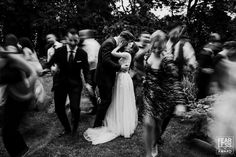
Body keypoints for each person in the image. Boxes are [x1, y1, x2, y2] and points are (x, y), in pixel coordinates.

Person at [83, 40, 138, 145]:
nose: (127, 46)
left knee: (120, 99)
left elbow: (113, 53)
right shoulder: (125, 54)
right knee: (117, 99)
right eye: (127, 44)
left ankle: (119, 123)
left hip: (122, 79)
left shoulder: (126, 54)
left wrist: (120, 45)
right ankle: (119, 120)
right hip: (120, 78)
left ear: (131, 49)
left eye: (130, 46)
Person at [142, 30, 185, 157]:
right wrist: (145, 77)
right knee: (148, 123)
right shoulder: (147, 55)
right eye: (154, 47)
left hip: (162, 98)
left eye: (159, 47)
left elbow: (174, 82)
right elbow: (145, 70)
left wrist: (180, 103)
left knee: (157, 127)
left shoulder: (167, 60)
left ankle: (155, 143)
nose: (156, 50)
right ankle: (148, 154)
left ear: (164, 45)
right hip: (149, 95)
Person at [46, 28, 90, 136]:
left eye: (76, 41)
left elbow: (86, 70)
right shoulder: (59, 51)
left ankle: (74, 127)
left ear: (78, 40)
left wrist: (88, 83)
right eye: (71, 40)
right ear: (66, 39)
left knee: (75, 108)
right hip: (60, 83)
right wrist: (51, 68)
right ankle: (67, 128)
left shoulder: (82, 53)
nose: (73, 43)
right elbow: (50, 63)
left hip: (75, 84)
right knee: (59, 109)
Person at [1, 34, 37, 157]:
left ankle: (20, 151)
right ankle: (22, 150)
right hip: (15, 97)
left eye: (12, 47)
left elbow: (32, 73)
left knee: (8, 131)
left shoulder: (16, 61)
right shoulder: (9, 60)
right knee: (10, 129)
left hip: (20, 99)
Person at [93, 30, 135, 128]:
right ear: (123, 39)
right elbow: (106, 61)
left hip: (109, 76)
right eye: (127, 42)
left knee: (106, 100)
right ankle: (97, 125)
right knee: (105, 101)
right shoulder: (109, 43)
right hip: (103, 77)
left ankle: (102, 122)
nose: (127, 44)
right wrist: (119, 67)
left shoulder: (113, 44)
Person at [208, 41, 236, 153]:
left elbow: (214, 84)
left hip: (228, 101)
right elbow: (215, 84)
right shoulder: (223, 64)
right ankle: (225, 151)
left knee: (228, 128)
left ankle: (226, 151)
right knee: (226, 128)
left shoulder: (223, 64)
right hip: (228, 101)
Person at [79, 29, 101, 115]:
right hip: (94, 69)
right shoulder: (94, 42)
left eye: (82, 35)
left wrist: (80, 62)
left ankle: (95, 108)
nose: (80, 37)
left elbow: (91, 59)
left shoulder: (89, 44)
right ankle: (94, 106)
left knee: (90, 87)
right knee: (92, 88)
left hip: (92, 69)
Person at [196, 33, 222, 99]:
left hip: (208, 78)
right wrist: (205, 70)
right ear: (213, 41)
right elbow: (201, 65)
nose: (219, 44)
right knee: (203, 97)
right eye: (218, 42)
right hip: (204, 78)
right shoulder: (207, 49)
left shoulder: (212, 49)